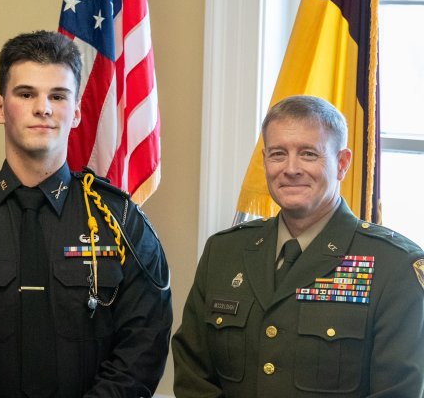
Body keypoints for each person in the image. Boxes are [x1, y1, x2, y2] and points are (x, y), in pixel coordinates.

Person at [0, 30, 172, 397]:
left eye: (57, 96)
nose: (42, 108)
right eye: (26, 93)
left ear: (76, 112)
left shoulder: (120, 220)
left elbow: (144, 341)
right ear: (0, 107)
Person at [172, 95, 424, 397]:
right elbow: (193, 375)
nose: (291, 169)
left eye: (308, 154)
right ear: (264, 160)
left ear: (342, 163)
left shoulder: (394, 266)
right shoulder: (224, 252)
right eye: (278, 154)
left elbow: (397, 391)